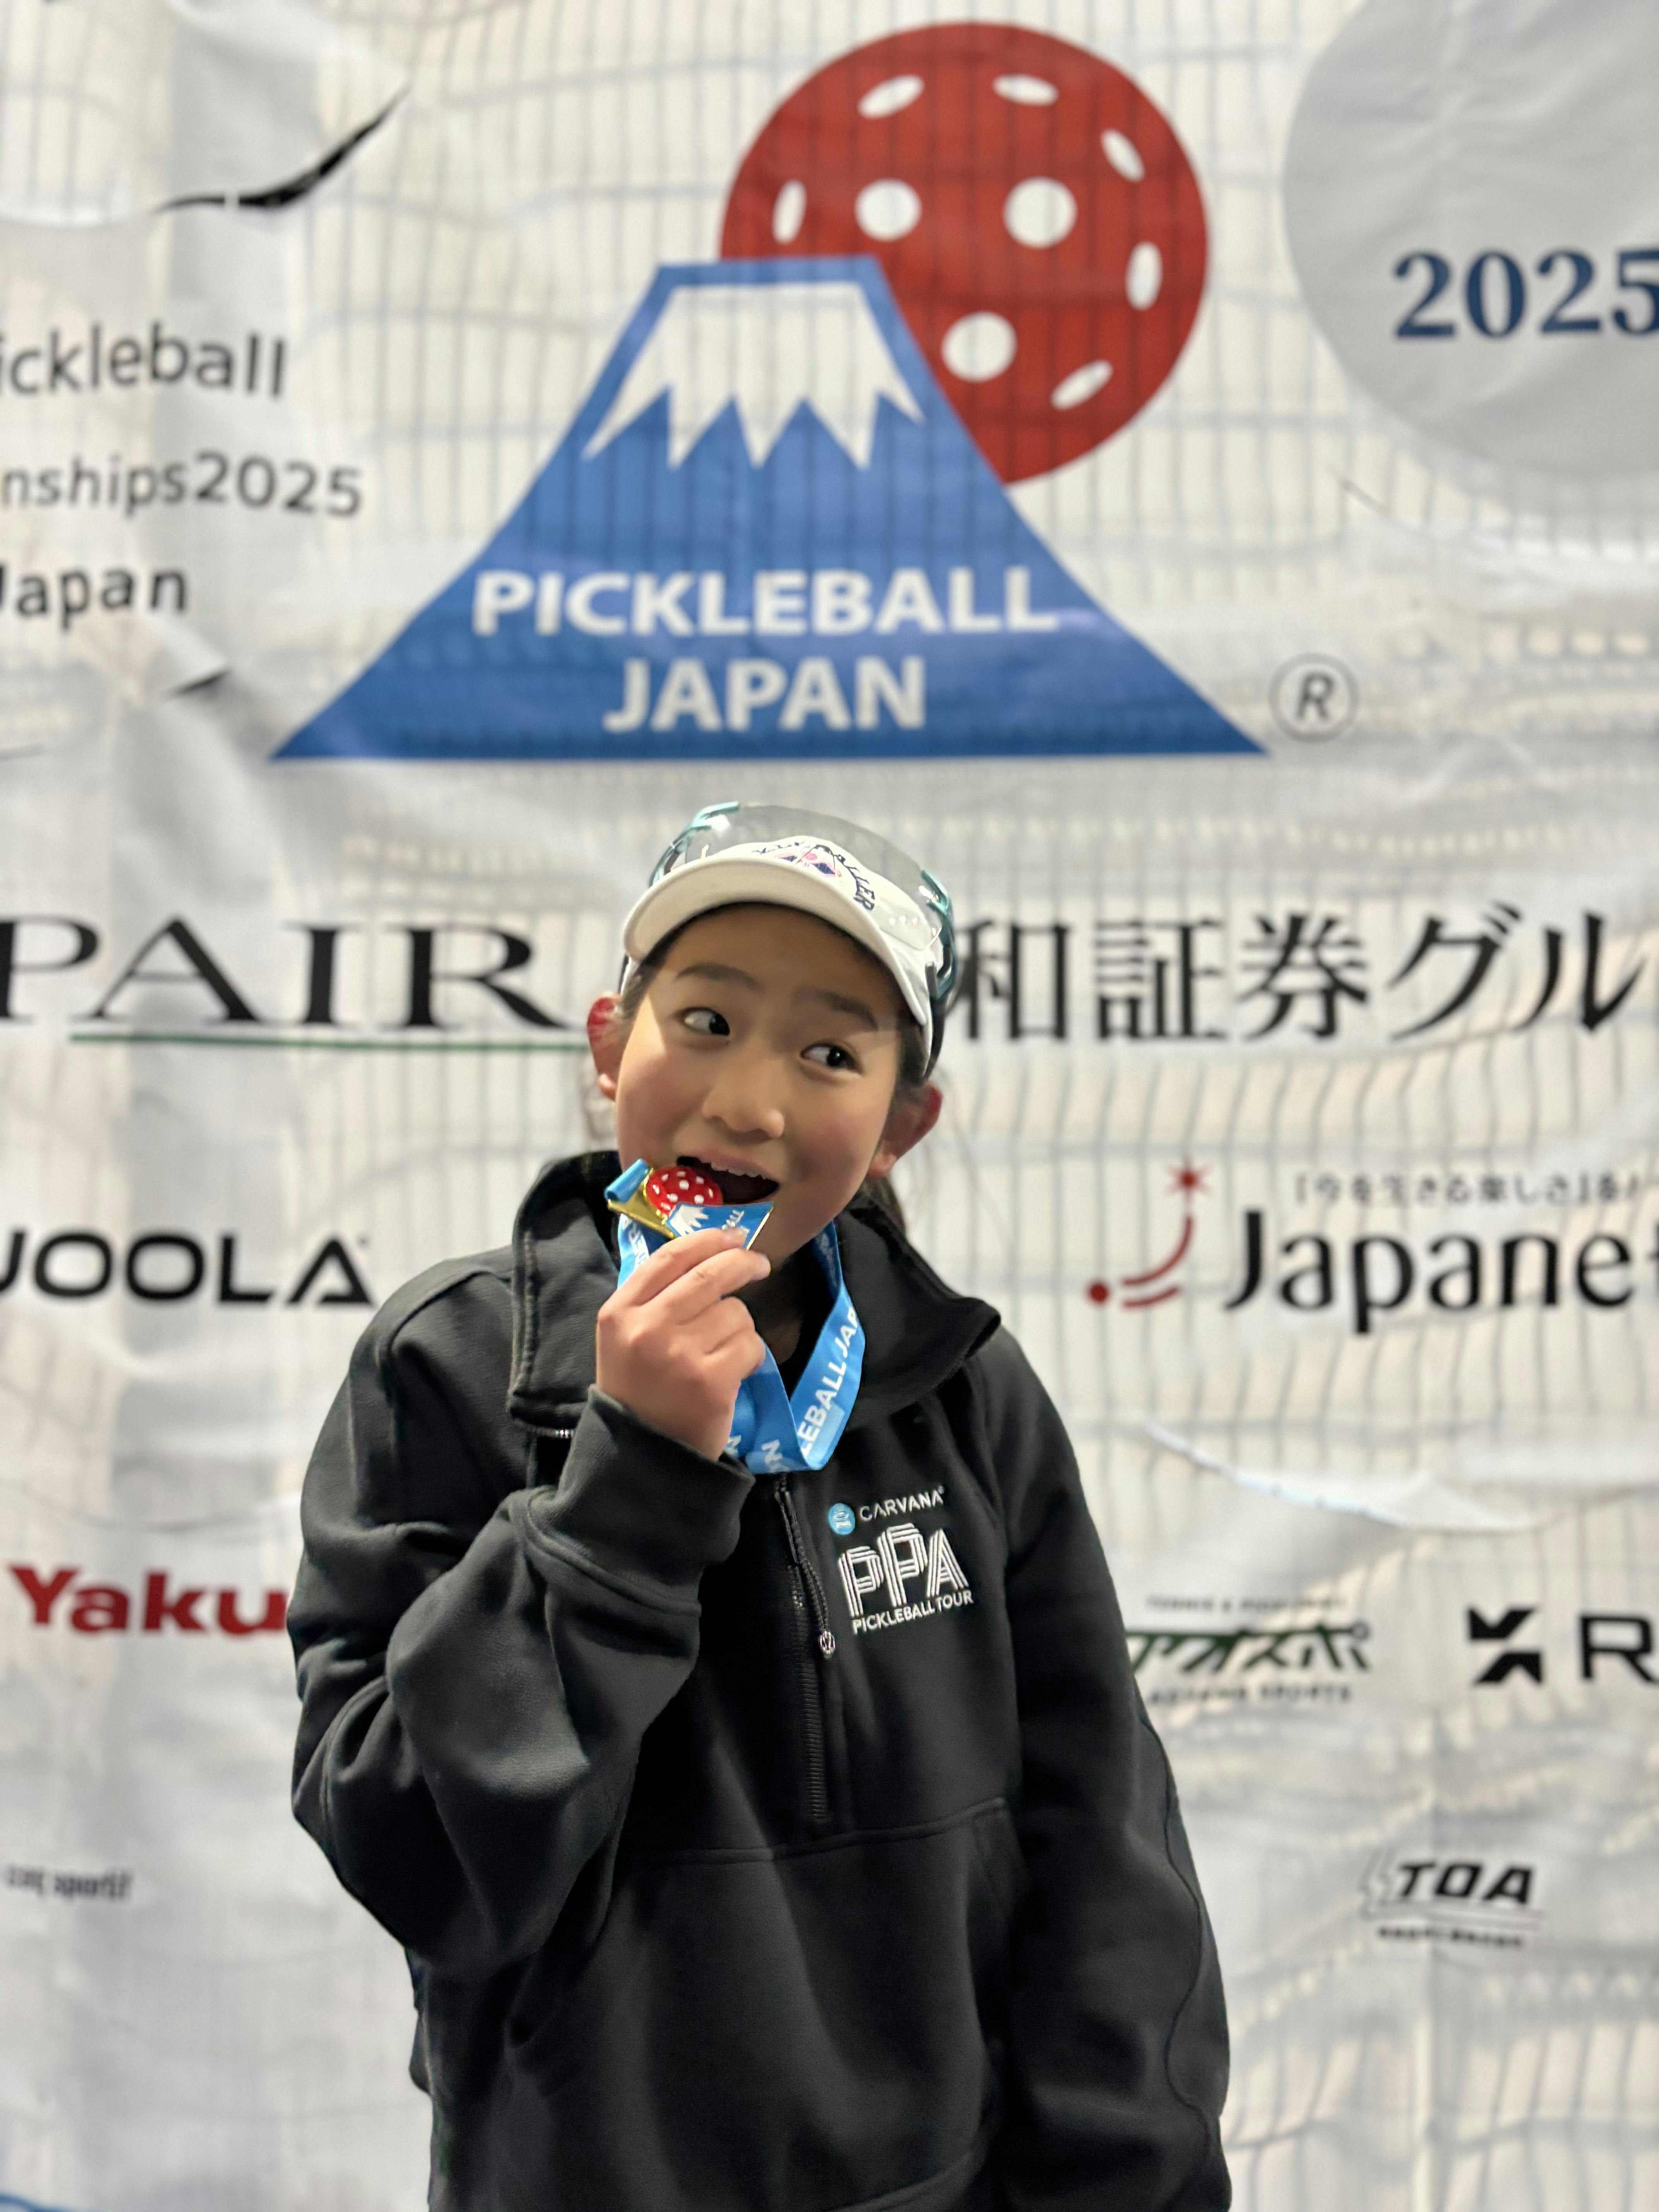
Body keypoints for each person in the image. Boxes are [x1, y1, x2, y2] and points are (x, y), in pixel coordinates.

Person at [289, 801, 1230, 2212]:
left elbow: (1103, 1833)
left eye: (830, 1054)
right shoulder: (455, 1363)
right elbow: (417, 1859)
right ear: (609, 1044)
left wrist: (1128, 2178)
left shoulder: (963, 1385)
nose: (748, 1102)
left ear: (903, 1124)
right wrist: (632, 1479)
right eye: (706, 1022)